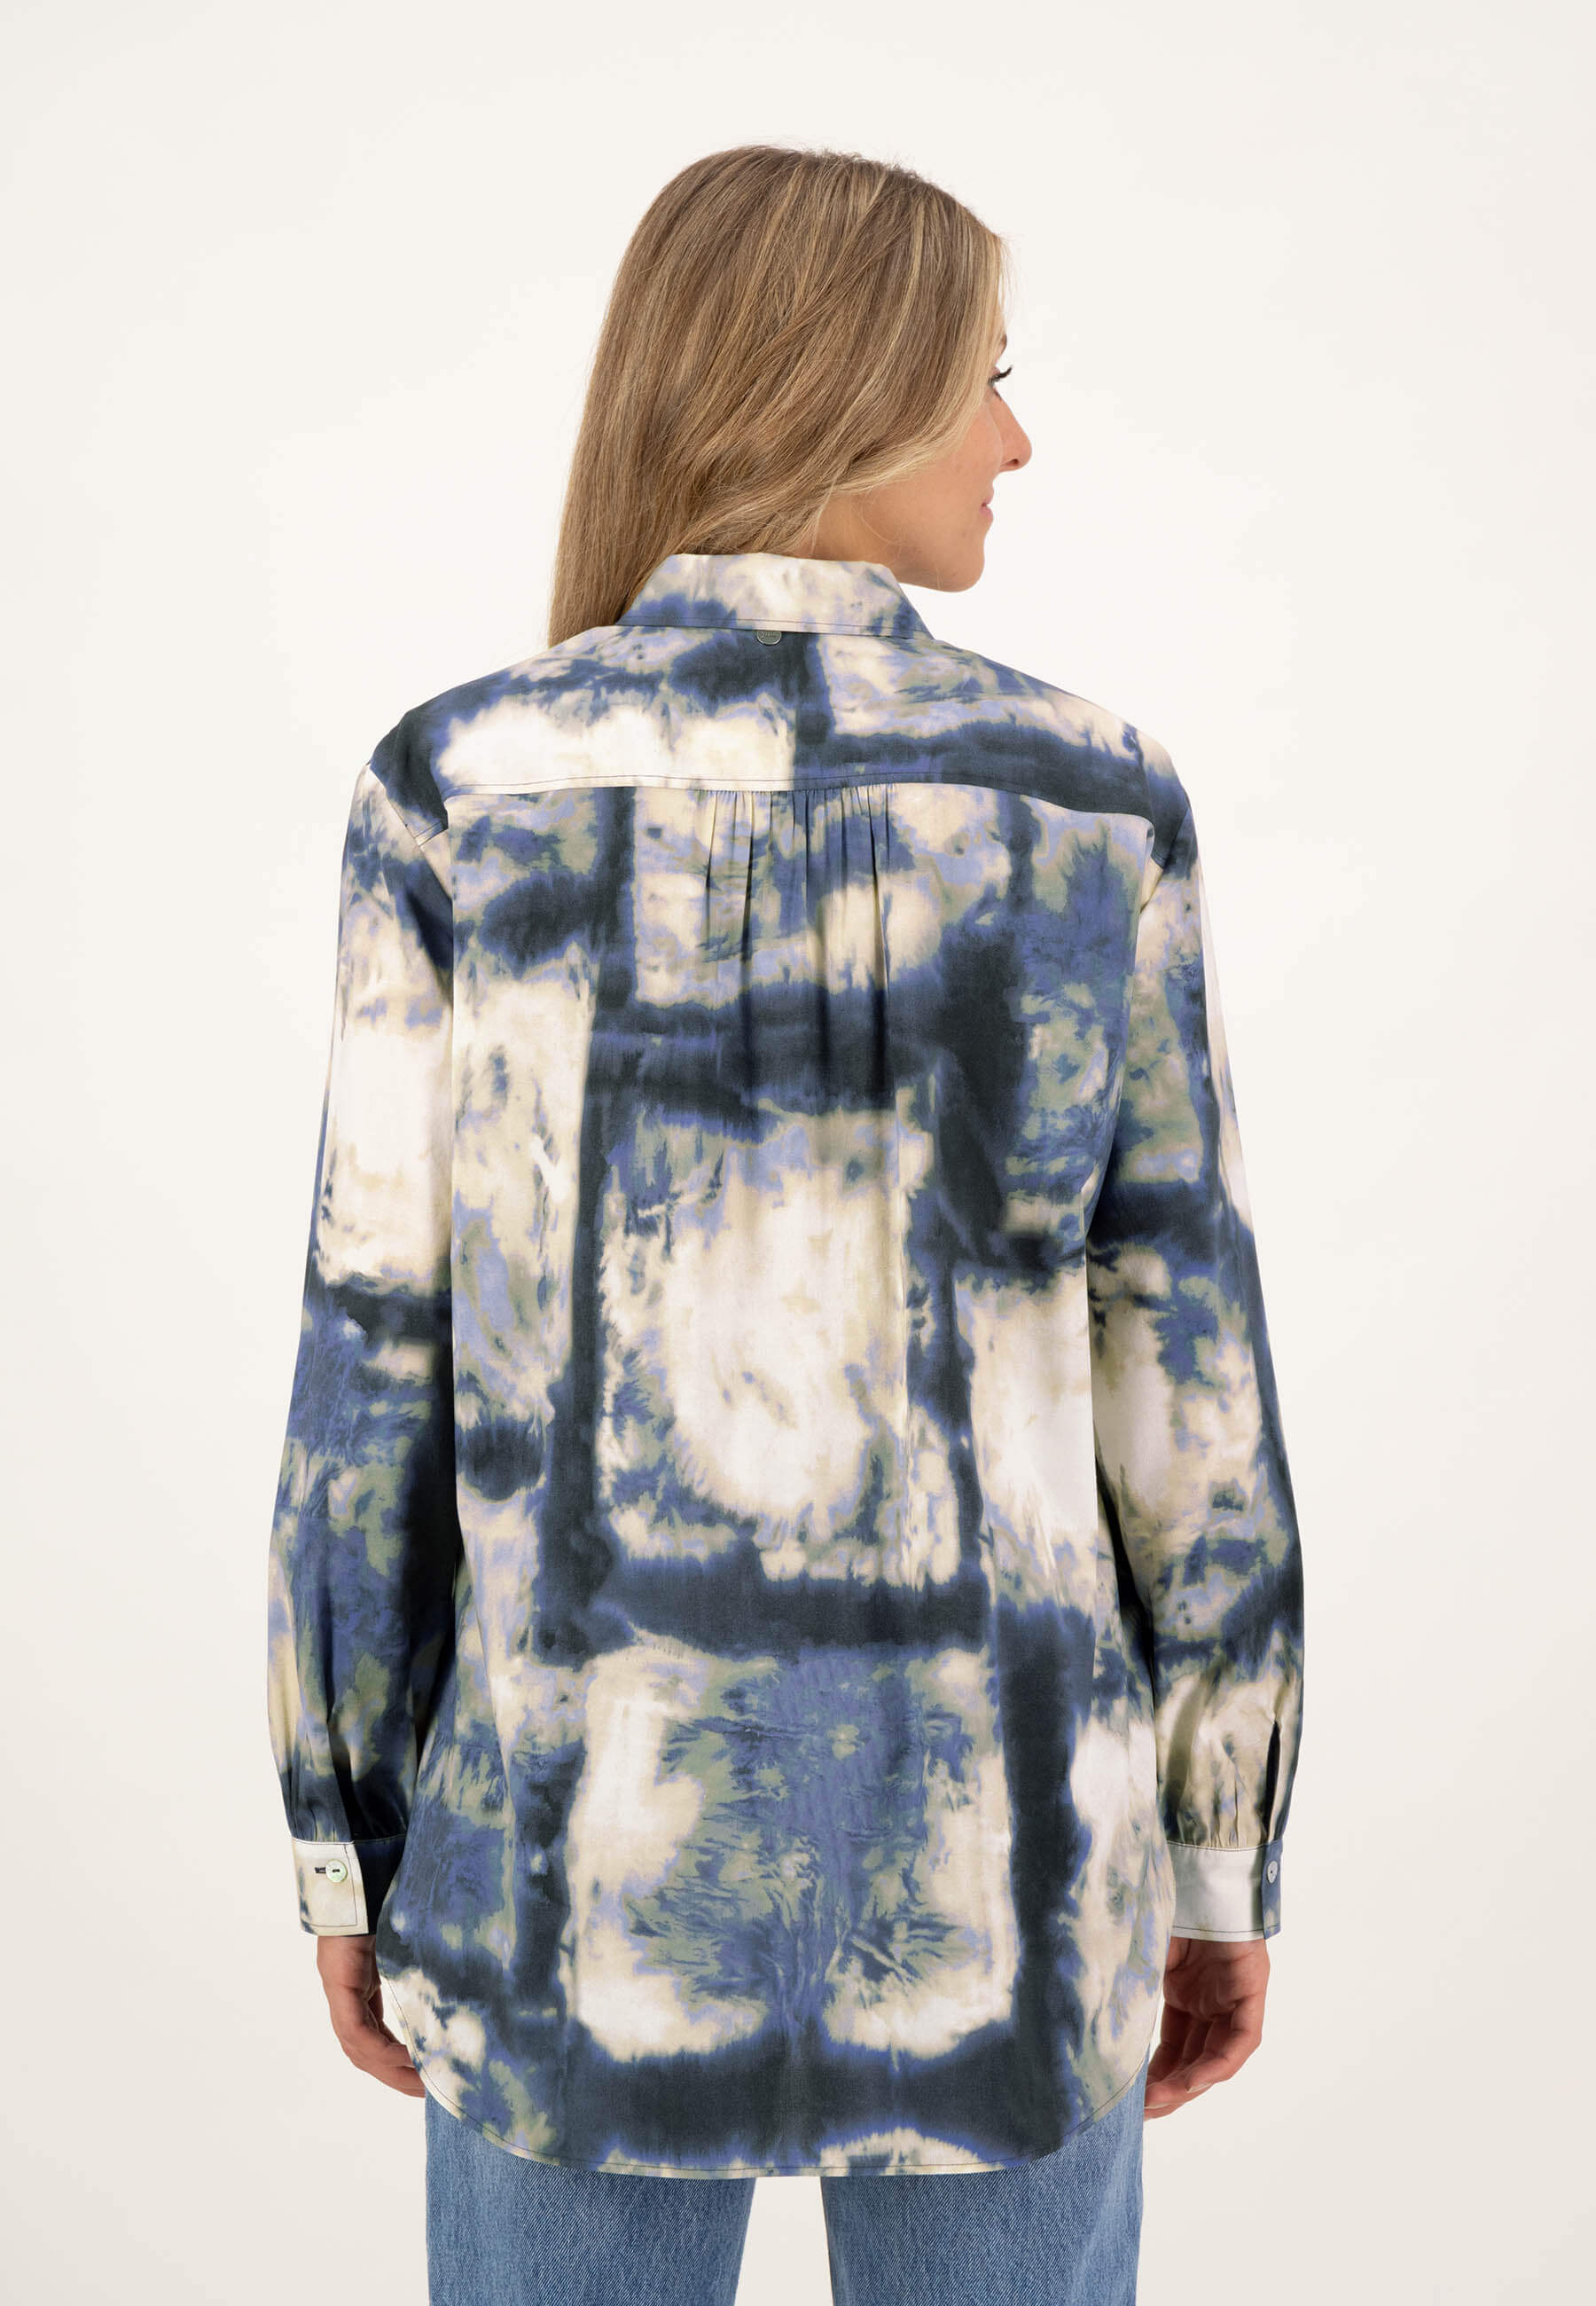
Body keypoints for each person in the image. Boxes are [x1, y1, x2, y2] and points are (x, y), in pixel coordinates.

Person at [265, 143, 1304, 2306]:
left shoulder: (460, 786)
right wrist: (1220, 1845)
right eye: (987, 376)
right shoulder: (1089, 800)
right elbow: (1185, 1381)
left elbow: (377, 1358)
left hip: (570, 1879)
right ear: (851, 382)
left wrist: (345, 1828)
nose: (1016, 440)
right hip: (1014, 1879)